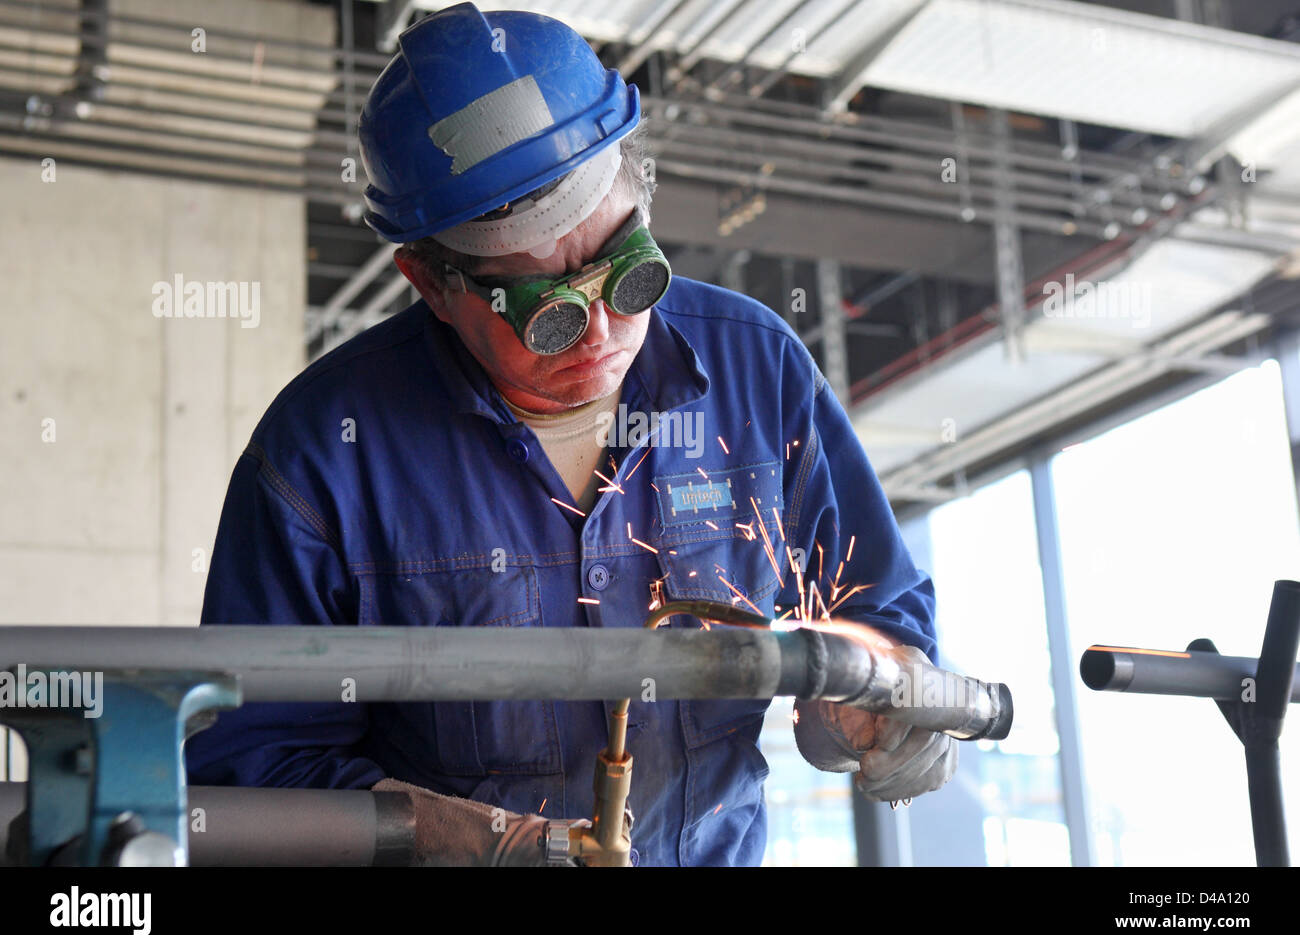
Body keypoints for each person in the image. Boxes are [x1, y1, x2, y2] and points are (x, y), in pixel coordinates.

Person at [186, 1, 954, 867]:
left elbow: (873, 607)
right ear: (431, 283)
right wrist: (477, 844)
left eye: (629, 277)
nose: (600, 335)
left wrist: (877, 701)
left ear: (643, 199)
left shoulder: (758, 370)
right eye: (545, 315)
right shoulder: (324, 453)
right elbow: (253, 764)